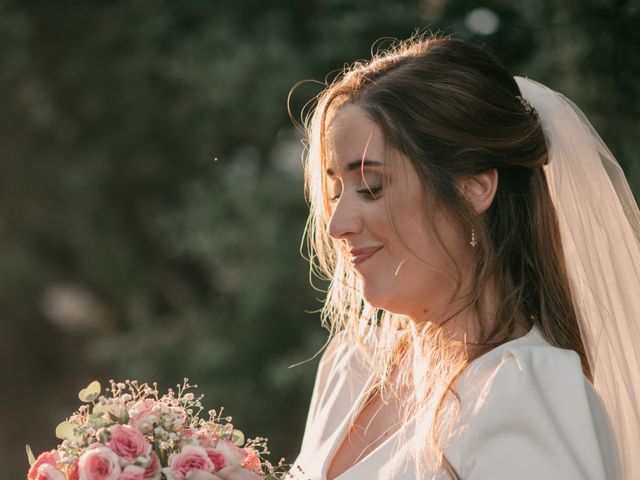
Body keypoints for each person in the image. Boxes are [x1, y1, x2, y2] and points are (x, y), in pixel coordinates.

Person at [210, 35, 640, 480]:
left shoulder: (526, 392)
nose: (337, 225)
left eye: (371, 188)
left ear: (473, 188)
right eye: (336, 191)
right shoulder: (350, 365)